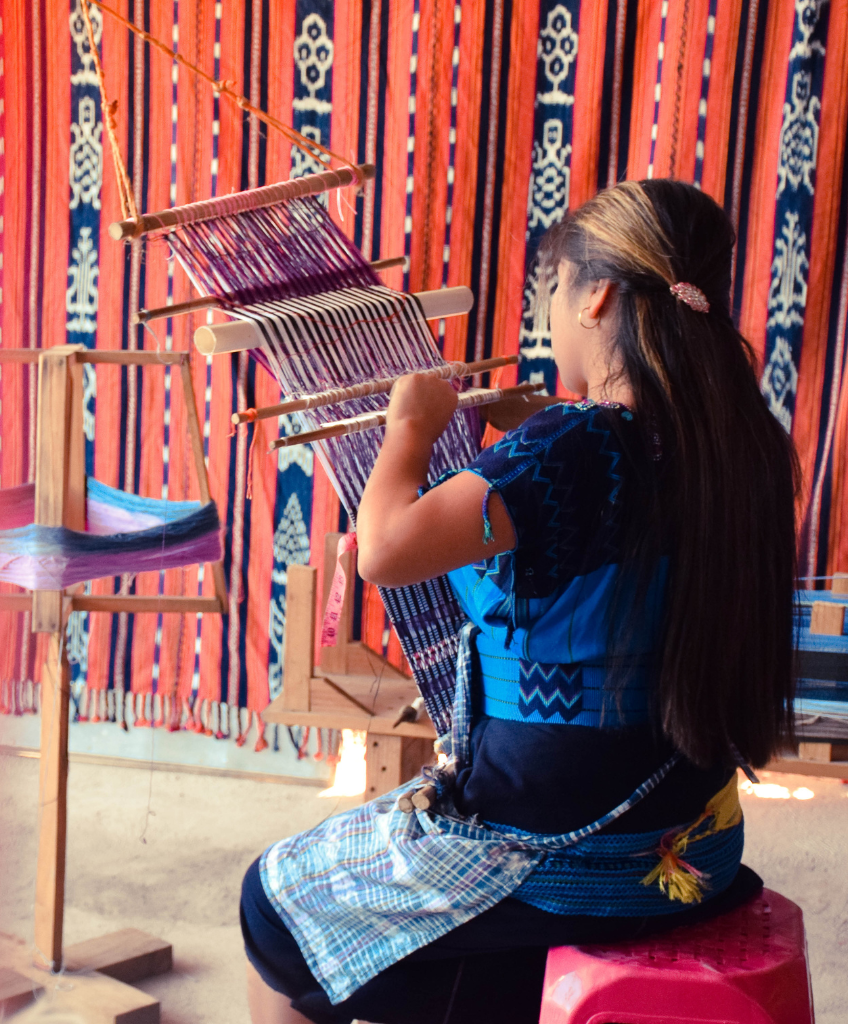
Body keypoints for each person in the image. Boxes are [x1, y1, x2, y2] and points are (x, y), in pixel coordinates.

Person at [241, 179, 797, 1024]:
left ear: (597, 296)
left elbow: (385, 551)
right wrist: (516, 443)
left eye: (556, 290)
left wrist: (411, 429)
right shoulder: (743, 444)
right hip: (690, 844)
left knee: (271, 907)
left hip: (560, 855)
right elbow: (596, 532)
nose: (549, 314)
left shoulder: (574, 445)